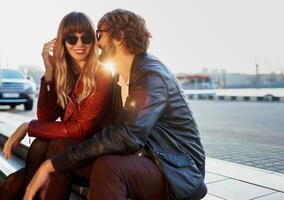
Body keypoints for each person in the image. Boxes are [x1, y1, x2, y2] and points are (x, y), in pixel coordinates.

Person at [24, 9, 207, 200]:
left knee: (109, 167)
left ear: (119, 37)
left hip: (176, 172)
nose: (96, 41)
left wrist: (50, 165)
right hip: (142, 158)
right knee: (60, 148)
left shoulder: (152, 77)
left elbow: (126, 136)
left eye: (99, 34)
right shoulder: (121, 76)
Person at [0, 11, 112, 200]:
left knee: (42, 151)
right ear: (62, 41)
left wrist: (28, 126)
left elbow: (80, 129)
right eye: (72, 38)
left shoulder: (101, 75)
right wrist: (50, 71)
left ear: (93, 40)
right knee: (16, 178)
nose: (80, 44)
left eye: (85, 37)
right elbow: (46, 118)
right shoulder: (64, 74)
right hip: (63, 150)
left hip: (89, 156)